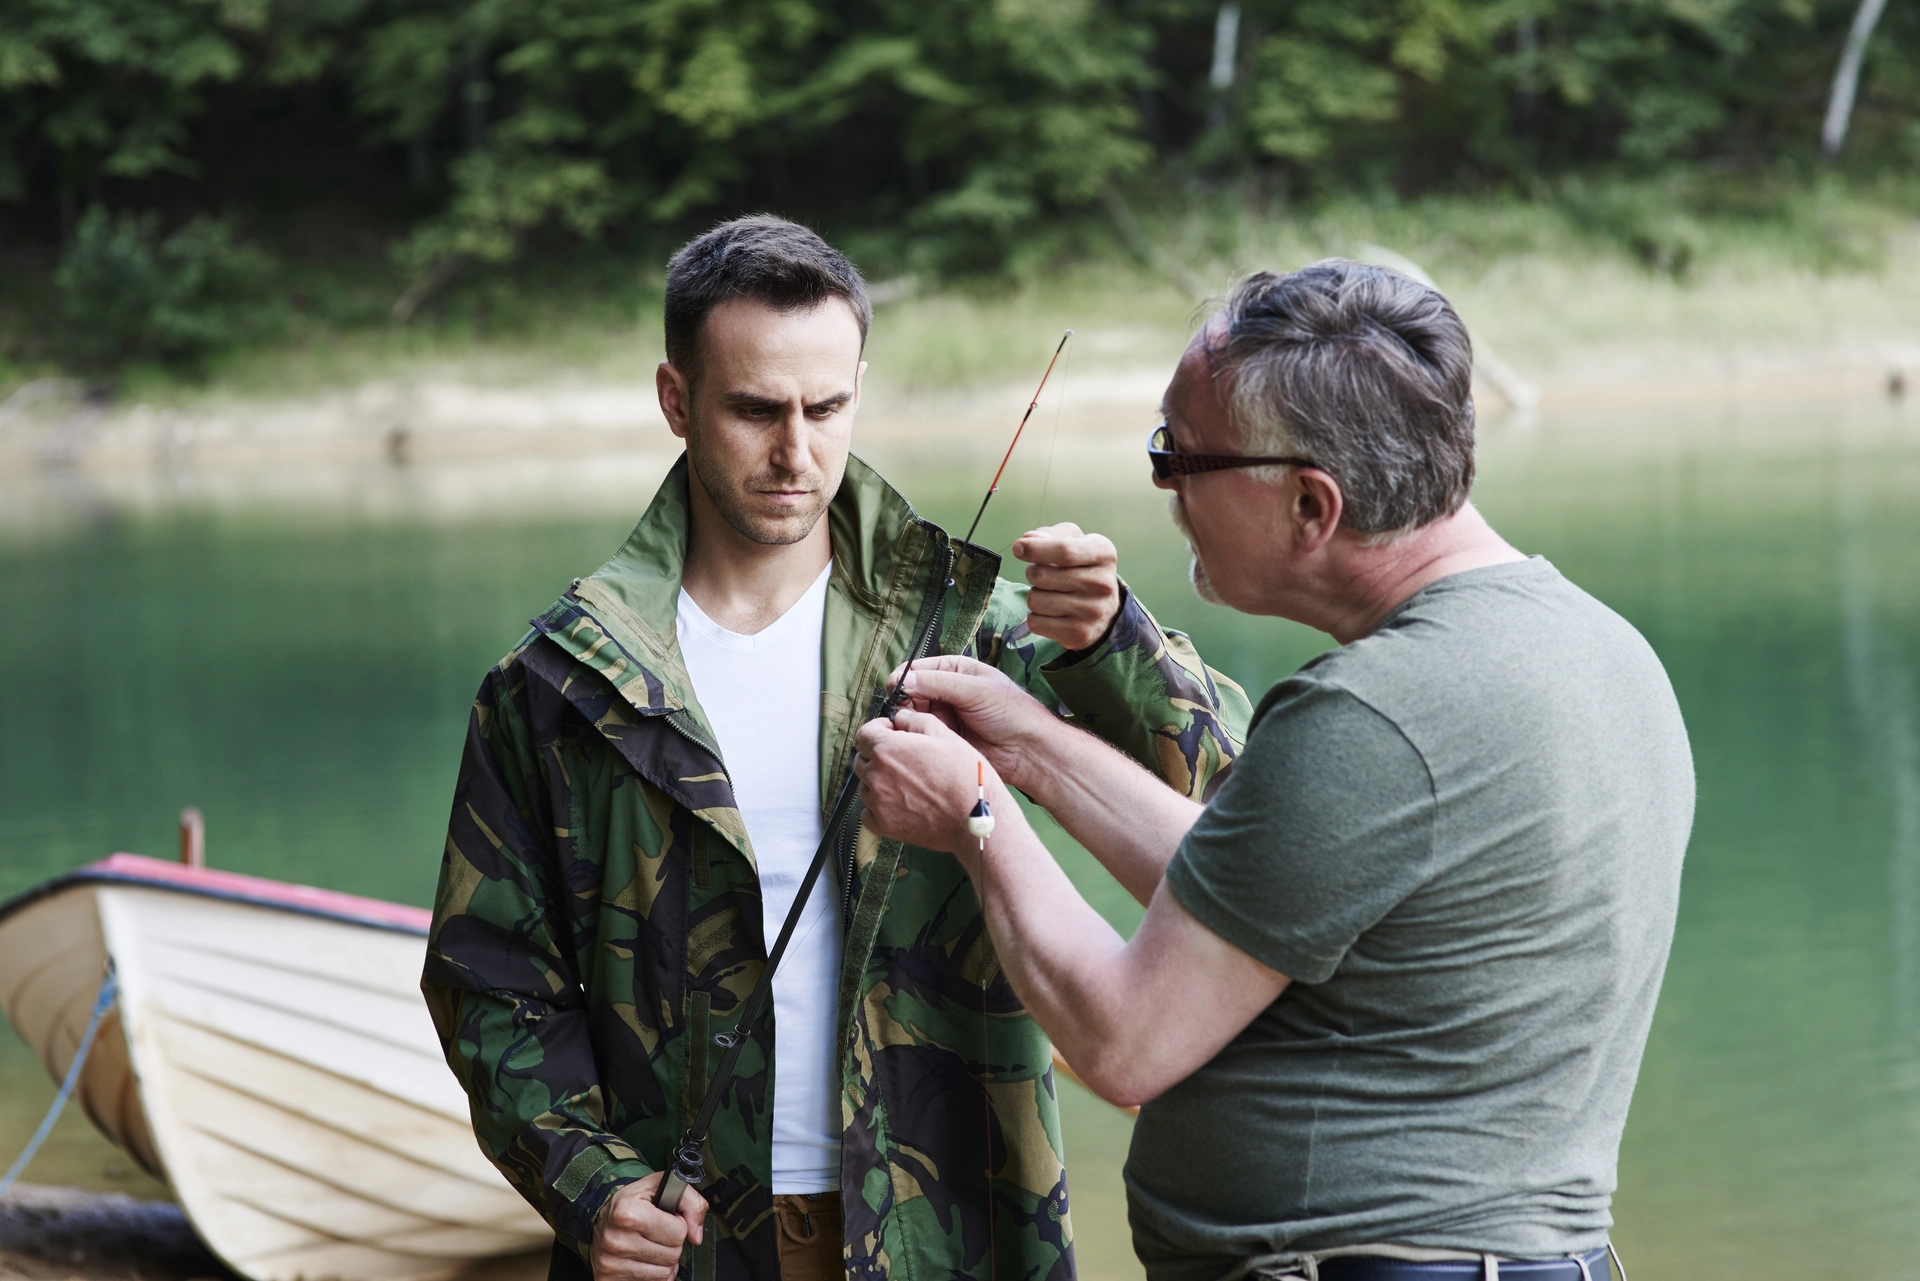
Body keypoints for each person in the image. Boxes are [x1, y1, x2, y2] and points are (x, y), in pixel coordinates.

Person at [421, 215, 1251, 1281]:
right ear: (677, 401)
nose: (795, 452)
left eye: (827, 408)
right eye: (755, 410)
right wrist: (591, 1182)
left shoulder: (976, 632)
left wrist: (1105, 640)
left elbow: (1238, 807)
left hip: (947, 1230)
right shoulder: (559, 684)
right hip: (692, 1252)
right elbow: (488, 978)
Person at [852, 261, 1694, 1281]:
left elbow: (1124, 1041)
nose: (1163, 492)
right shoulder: (1591, 645)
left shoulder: (1376, 712)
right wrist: (1024, 739)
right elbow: (1253, 884)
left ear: (1310, 504)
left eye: (1182, 461)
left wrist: (977, 815)